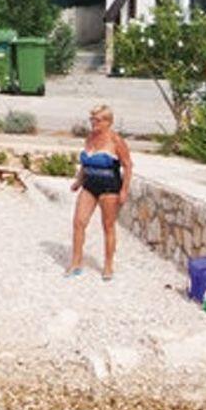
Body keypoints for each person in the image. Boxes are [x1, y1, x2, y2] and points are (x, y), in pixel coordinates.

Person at [69, 103, 134, 280]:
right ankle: (76, 262)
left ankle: (108, 265)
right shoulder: (90, 138)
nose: (93, 123)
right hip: (89, 185)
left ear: (108, 122)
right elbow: (85, 163)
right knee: (78, 222)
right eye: (92, 119)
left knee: (108, 226)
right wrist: (78, 181)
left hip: (109, 187)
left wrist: (124, 190)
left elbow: (128, 165)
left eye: (97, 120)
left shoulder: (116, 141)